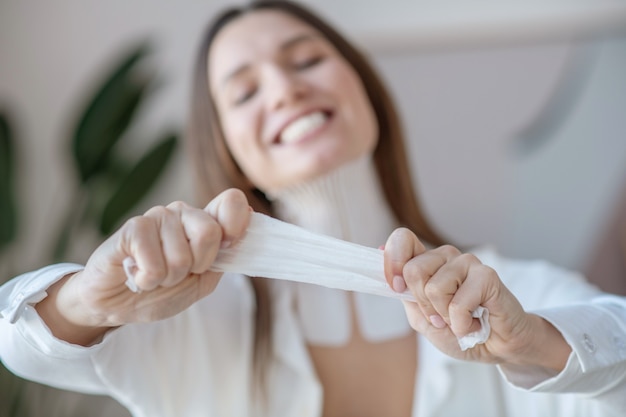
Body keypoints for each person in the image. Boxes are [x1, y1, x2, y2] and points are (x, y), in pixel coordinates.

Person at [1, 1, 626, 416]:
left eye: (306, 60)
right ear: (230, 150)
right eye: (244, 91)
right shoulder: (189, 318)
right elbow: (18, 341)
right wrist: (92, 298)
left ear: (366, 91)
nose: (285, 88)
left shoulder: (502, 297)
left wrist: (532, 343)